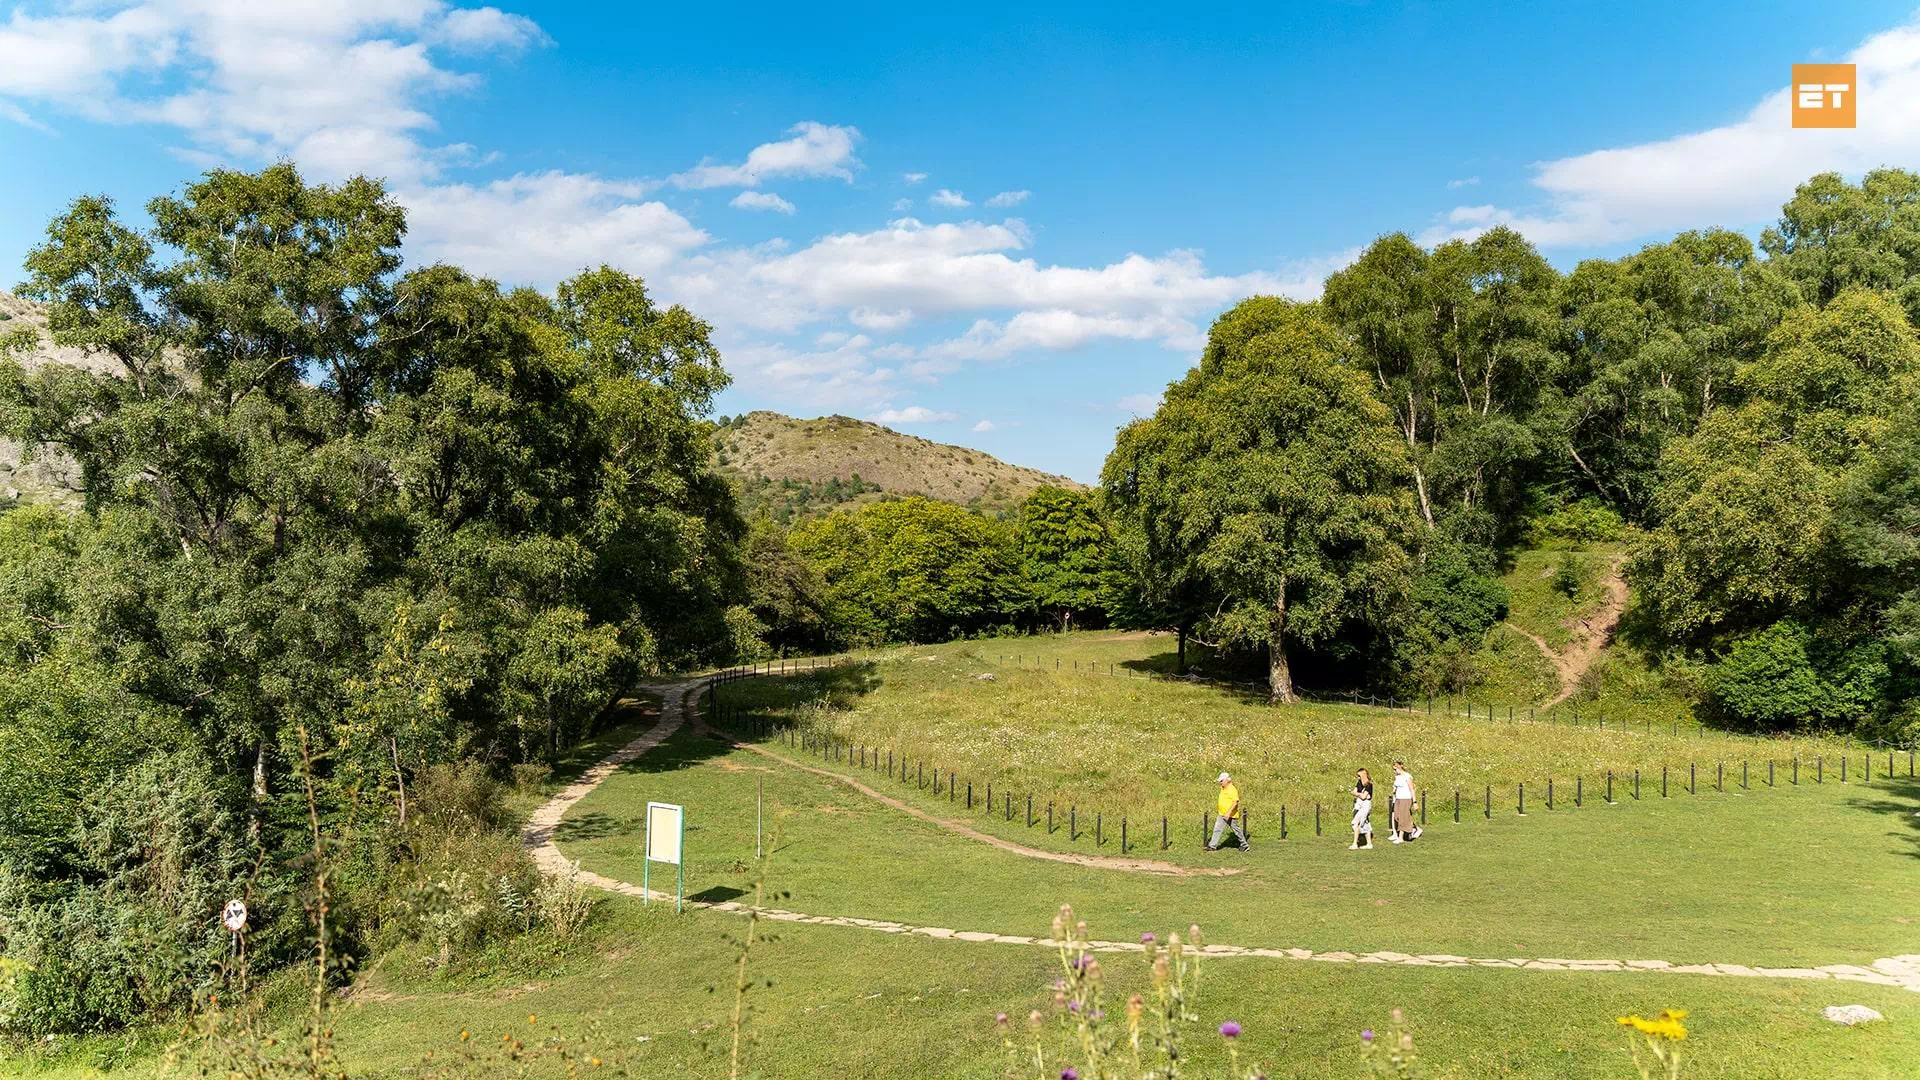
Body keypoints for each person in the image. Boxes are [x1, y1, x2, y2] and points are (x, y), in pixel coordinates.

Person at [1207, 772, 1249, 852]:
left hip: (1231, 815)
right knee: (1217, 829)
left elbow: (1235, 802)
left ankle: (1244, 845)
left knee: (1236, 831)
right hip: (1222, 814)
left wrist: (1229, 813)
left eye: (1222, 781)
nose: (1220, 782)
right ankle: (1212, 846)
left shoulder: (1232, 790)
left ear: (1227, 780)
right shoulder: (1223, 787)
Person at [1389, 760, 1421, 843]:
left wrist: (1414, 802)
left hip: (1406, 798)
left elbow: (1412, 789)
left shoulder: (1407, 776)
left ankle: (1401, 838)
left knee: (1403, 817)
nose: (1394, 771)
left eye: (1395, 769)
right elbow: (1395, 787)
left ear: (1399, 768)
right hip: (1398, 799)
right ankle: (1415, 829)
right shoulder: (1397, 777)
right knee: (1396, 816)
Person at [1349, 768, 1374, 850]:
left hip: (1365, 805)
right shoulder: (1359, 783)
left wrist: (1357, 794)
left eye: (1359, 776)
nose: (1358, 778)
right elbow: (1354, 792)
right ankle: (1369, 844)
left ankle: (1355, 843)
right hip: (1359, 804)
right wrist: (1359, 794)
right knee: (1365, 823)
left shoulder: (1369, 785)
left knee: (1356, 822)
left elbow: (1364, 797)